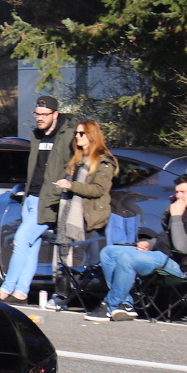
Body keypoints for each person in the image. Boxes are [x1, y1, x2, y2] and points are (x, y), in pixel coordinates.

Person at [88, 173, 187, 322]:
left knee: (127, 258)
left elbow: (183, 248)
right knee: (109, 252)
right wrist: (151, 243)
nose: (178, 196)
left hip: (182, 266)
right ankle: (125, 304)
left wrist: (177, 216)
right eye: (177, 192)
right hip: (163, 255)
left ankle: (111, 305)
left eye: (183, 192)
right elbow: (168, 234)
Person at [0, 94, 77, 304]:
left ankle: (5, 289)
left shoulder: (69, 135)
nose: (39, 118)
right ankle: (21, 292)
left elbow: (75, 166)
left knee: (21, 241)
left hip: (49, 200)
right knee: (31, 246)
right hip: (30, 198)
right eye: (37, 114)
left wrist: (63, 190)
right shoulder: (37, 135)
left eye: (44, 114)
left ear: (55, 114)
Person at [49, 119, 117, 309]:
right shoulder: (76, 161)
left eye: (81, 134)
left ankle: (93, 299)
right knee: (68, 255)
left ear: (91, 135)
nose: (77, 137)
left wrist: (71, 185)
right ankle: (63, 294)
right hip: (70, 217)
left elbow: (98, 189)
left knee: (89, 262)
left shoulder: (103, 161)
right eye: (76, 134)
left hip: (89, 219)